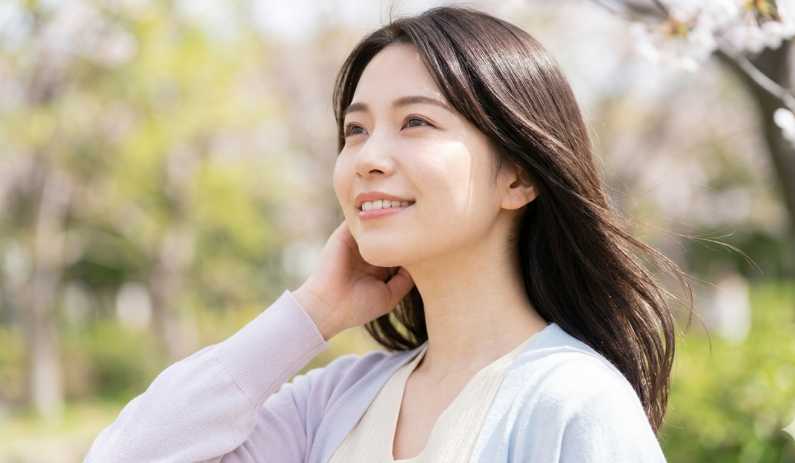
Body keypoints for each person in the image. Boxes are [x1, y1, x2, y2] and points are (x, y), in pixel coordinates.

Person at [85, 6, 688, 462]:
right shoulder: (337, 401)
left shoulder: (572, 403)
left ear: (519, 177)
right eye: (355, 130)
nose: (368, 157)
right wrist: (312, 313)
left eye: (415, 121)